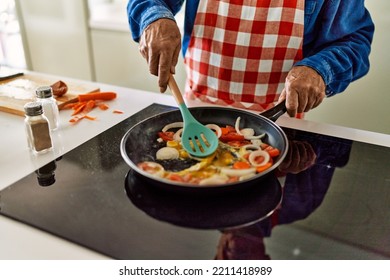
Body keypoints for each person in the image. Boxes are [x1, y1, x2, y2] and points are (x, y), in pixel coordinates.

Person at [127, 0, 374, 117]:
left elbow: (354, 40)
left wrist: (320, 70)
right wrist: (154, 18)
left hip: (281, 122)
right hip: (197, 112)